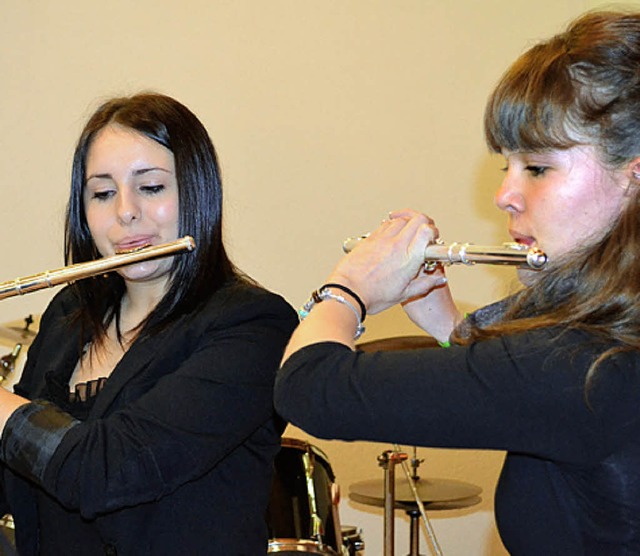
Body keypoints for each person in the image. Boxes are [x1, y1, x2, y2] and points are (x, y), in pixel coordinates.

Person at [275, 10, 640, 555]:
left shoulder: (585, 366)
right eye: (506, 168)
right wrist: (447, 322)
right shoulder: (599, 347)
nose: (505, 196)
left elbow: (309, 388)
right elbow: (516, 391)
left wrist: (349, 288)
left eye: (537, 168)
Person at [0, 93, 297, 555]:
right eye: (102, 192)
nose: (124, 212)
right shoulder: (68, 314)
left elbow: (107, 470)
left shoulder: (253, 325)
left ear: (197, 192)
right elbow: (16, 472)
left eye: (151, 187)